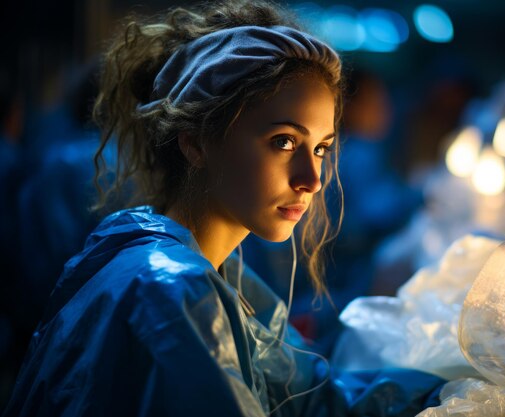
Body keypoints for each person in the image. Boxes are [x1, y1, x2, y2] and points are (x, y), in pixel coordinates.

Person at [2, 1, 444, 416]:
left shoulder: (216, 271)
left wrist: (455, 387)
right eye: (283, 142)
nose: (311, 180)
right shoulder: (172, 289)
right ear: (195, 141)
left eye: (322, 148)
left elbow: (310, 398)